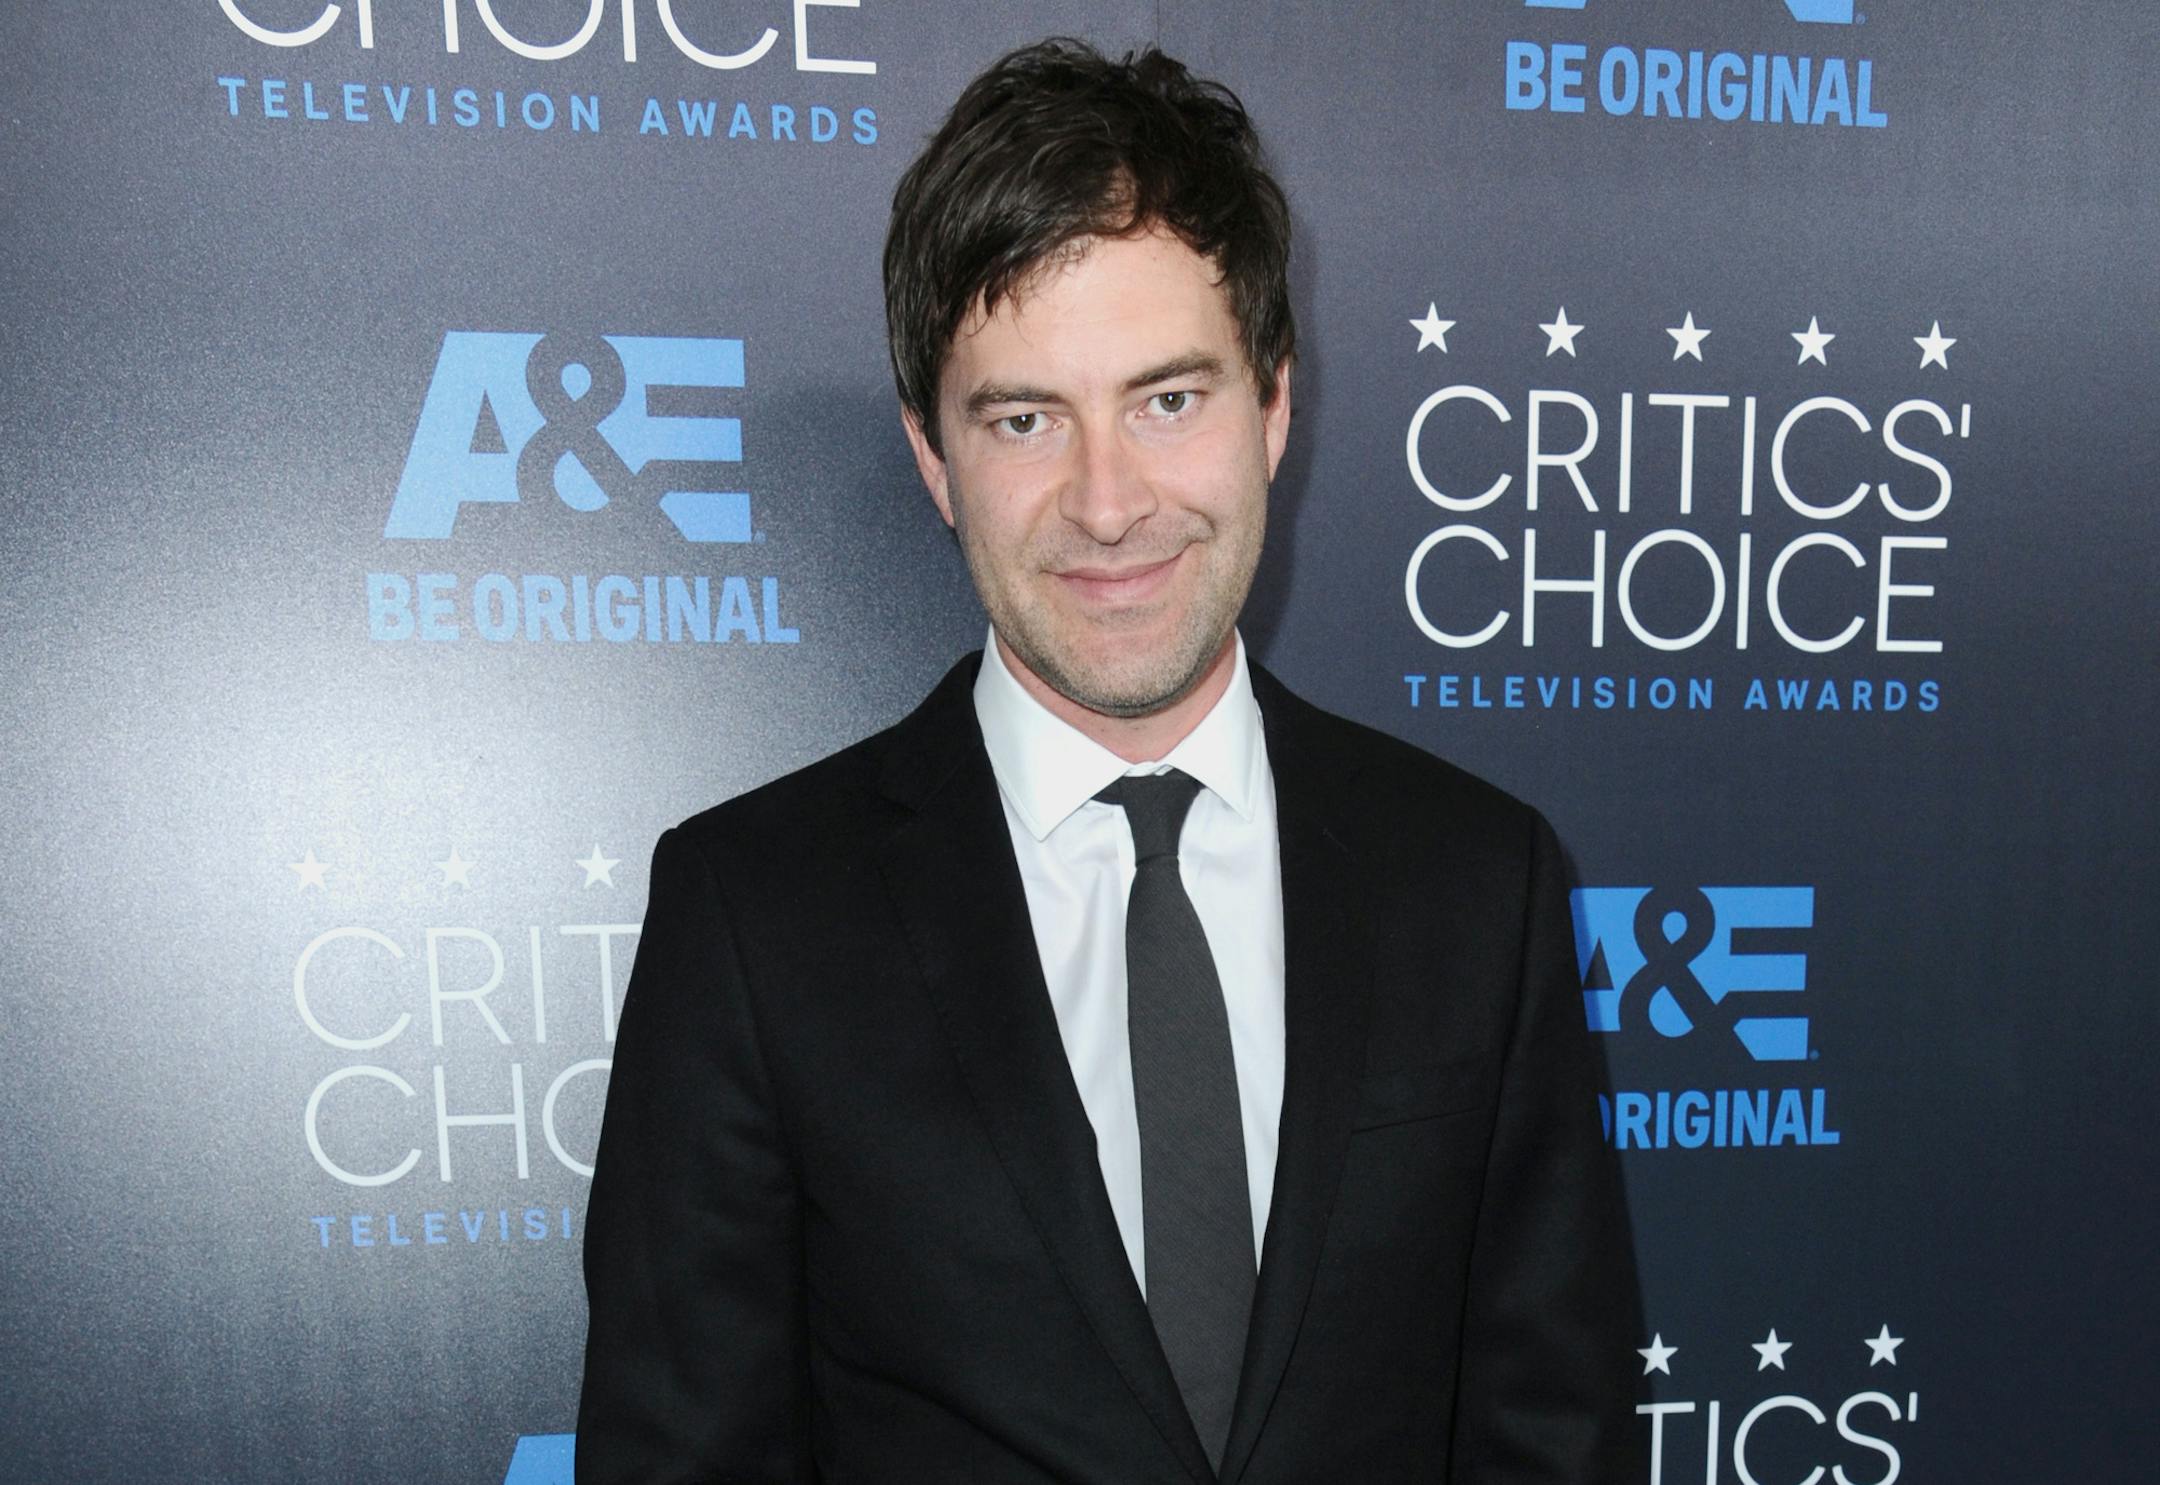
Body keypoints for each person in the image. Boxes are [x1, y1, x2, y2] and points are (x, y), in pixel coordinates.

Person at [576, 38, 1637, 1484]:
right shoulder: (754, 915)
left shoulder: (1479, 879)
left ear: (1274, 403)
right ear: (935, 459)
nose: (1108, 501)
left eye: (1168, 399)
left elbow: (1554, 1439)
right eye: (1025, 419)